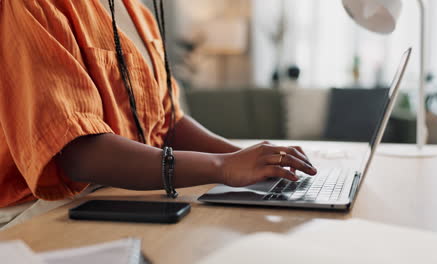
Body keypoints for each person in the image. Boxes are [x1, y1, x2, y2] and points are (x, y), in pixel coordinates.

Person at [0, 0, 316, 227]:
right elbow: (78, 153)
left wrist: (254, 159)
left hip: (121, 197)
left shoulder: (138, 13)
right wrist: (223, 166)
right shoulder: (28, 6)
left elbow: (169, 122)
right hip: (40, 213)